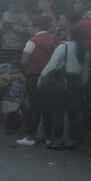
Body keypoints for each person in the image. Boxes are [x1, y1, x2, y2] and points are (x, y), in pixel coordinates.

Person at [40, 23, 87, 149]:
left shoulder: (63, 47)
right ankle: (71, 140)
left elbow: (52, 65)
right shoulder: (84, 50)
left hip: (61, 82)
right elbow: (85, 74)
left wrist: (42, 76)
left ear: (70, 33)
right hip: (76, 82)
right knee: (73, 114)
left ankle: (58, 140)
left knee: (58, 112)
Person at [17, 15, 58, 145]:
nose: (28, 28)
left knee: (34, 105)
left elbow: (24, 60)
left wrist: (29, 66)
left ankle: (31, 136)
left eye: (30, 25)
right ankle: (49, 137)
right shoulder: (54, 39)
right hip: (49, 75)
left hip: (33, 75)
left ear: (37, 27)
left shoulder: (32, 41)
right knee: (47, 106)